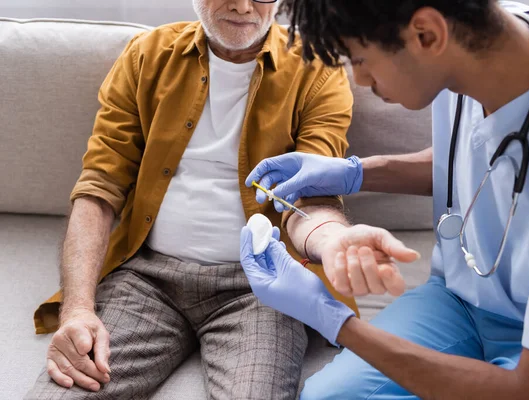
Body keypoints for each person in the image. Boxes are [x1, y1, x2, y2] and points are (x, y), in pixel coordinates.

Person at [240, 1, 529, 399]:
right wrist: (354, 171)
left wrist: (335, 320)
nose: (359, 79)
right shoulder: (480, 40)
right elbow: (484, 156)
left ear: (426, 35)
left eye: (360, 59)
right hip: (458, 300)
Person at [26, 0, 358, 398]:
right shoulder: (145, 55)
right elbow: (99, 187)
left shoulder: (318, 68)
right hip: (146, 280)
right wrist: (78, 310)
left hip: (262, 287)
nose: (241, 5)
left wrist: (334, 242)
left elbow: (311, 196)